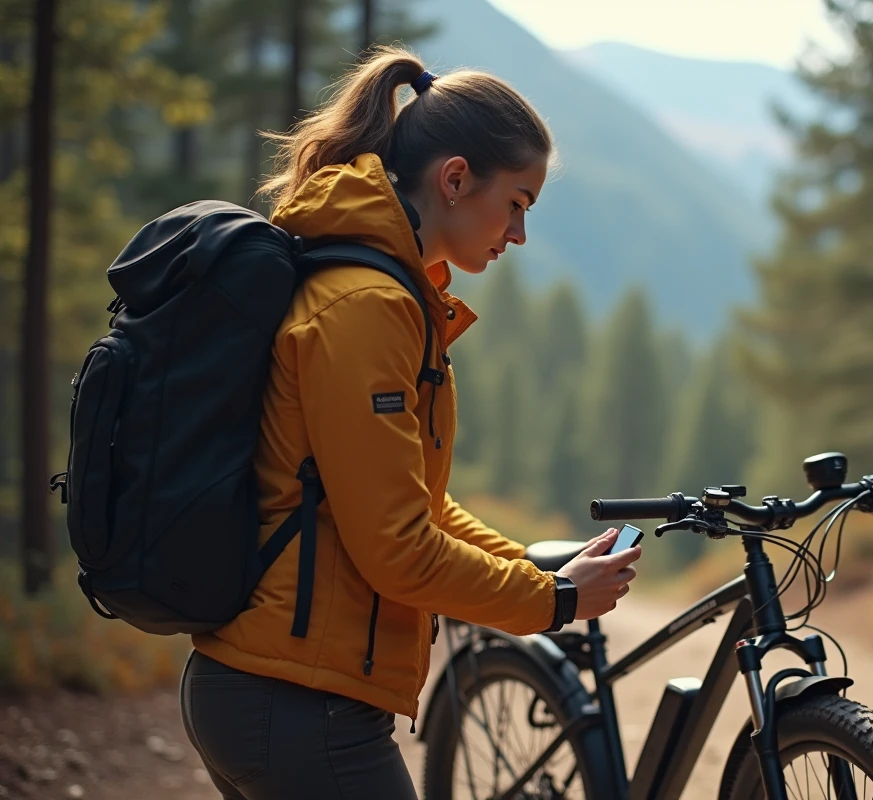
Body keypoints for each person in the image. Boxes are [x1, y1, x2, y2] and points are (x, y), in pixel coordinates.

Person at [178, 45, 642, 800]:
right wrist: (551, 602)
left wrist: (535, 568)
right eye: (517, 203)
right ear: (455, 179)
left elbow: (413, 501)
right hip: (297, 703)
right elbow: (398, 549)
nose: (519, 233)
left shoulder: (386, 292)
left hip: (282, 690)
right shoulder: (367, 307)